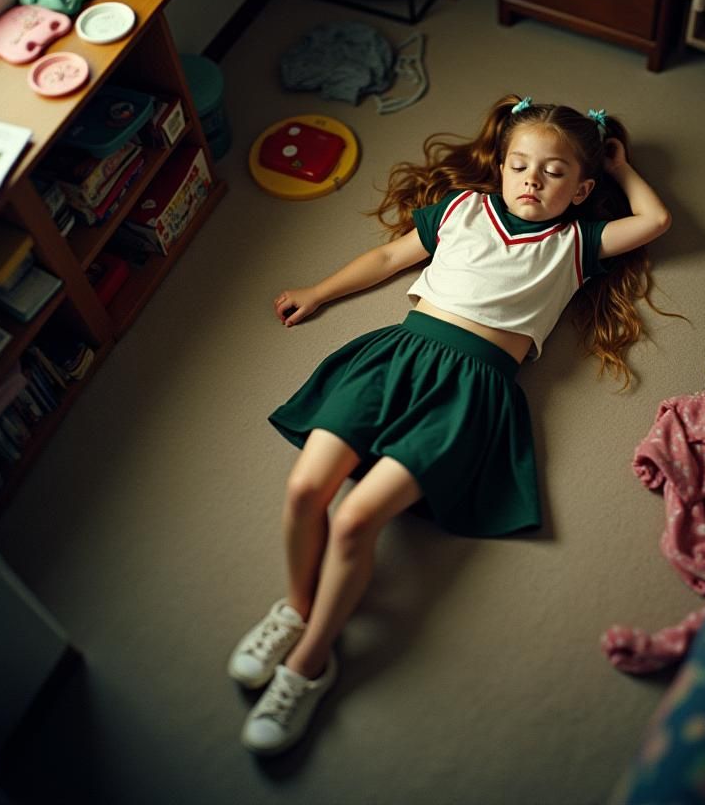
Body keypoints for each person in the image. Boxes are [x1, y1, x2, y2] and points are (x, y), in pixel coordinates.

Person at [228, 94, 673, 755]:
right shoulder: (463, 209)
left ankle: (310, 663)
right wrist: (318, 292)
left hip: (471, 390)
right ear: (499, 167)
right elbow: (387, 260)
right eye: (520, 164)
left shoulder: (577, 243)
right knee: (304, 491)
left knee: (355, 520)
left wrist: (622, 166)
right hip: (396, 359)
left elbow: (656, 220)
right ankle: (295, 608)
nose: (531, 179)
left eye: (553, 173)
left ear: (582, 190)